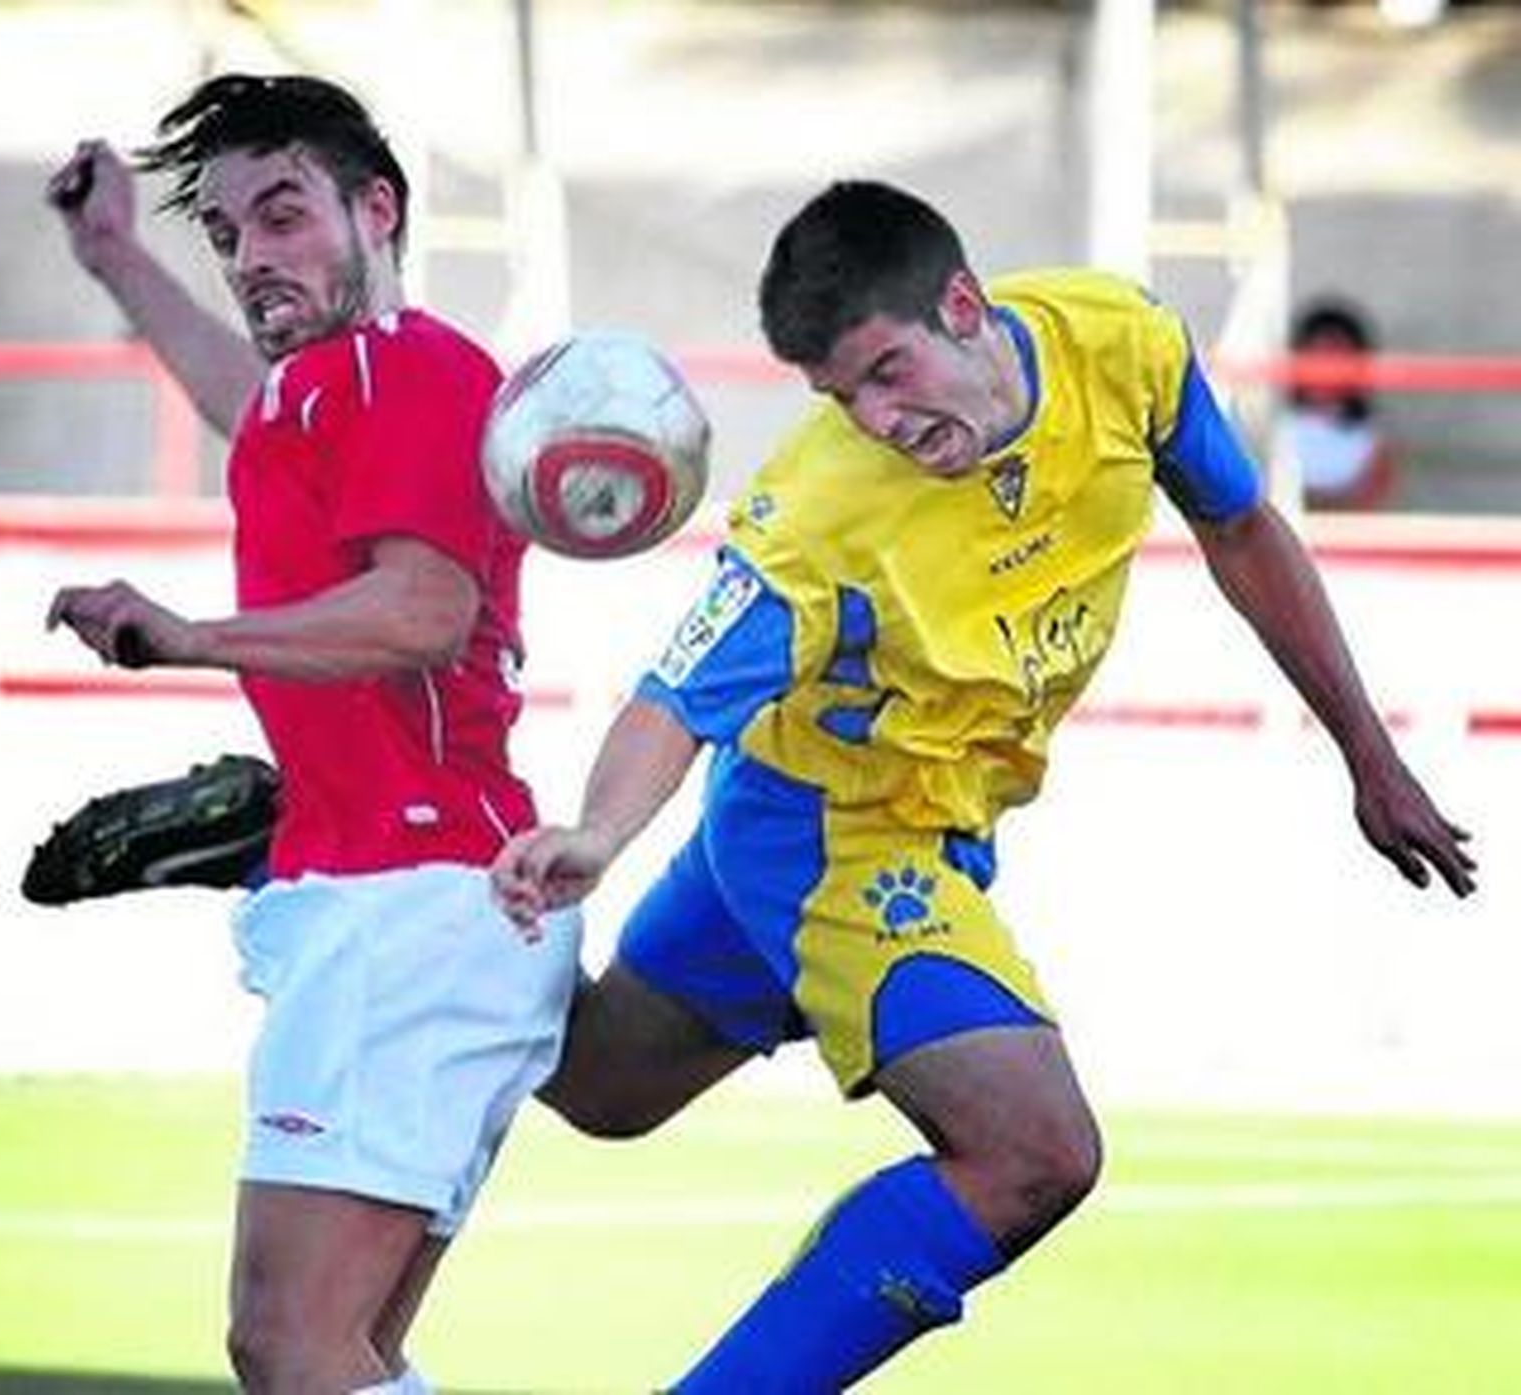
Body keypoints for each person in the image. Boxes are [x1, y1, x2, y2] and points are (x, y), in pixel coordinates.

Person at [490, 180, 1478, 1393]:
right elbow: (673, 695)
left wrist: (1368, 758)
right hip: (827, 838)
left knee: (599, 1089)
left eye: (888, 372)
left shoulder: (1124, 347)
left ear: (964, 306)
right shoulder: (818, 509)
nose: (877, 417)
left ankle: (355, 875)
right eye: (843, 396)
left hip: (918, 823)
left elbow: (1239, 527)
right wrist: (598, 830)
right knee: (1034, 1152)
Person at [44, 75, 581, 1395]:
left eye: (283, 215)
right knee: (339, 1351)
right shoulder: (324, 391)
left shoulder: (410, 366)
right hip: (416, 900)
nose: (251, 258)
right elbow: (252, 407)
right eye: (226, 236)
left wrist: (190, 635)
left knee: (290, 1344)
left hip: (415, 905)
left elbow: (422, 608)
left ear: (376, 207)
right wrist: (117, 254)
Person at [1278, 297, 1399, 511]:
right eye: (1318, 357)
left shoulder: (1373, 442)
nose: (1327, 371)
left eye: (1337, 358)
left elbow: (1366, 508)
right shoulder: (1274, 429)